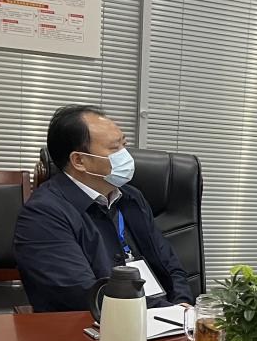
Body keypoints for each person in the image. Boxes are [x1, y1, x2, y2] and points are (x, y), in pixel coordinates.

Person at [13, 105, 193, 312]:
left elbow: (170, 265)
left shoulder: (131, 197)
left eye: (124, 145)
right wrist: (167, 312)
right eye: (115, 148)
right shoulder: (43, 215)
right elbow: (83, 294)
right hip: (95, 324)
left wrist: (182, 305)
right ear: (79, 161)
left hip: (164, 318)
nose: (126, 155)